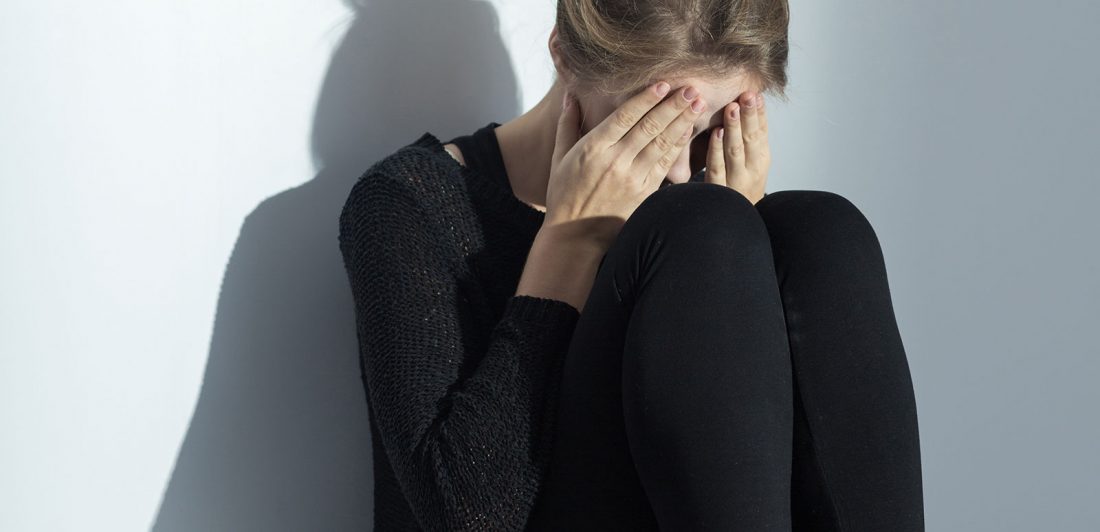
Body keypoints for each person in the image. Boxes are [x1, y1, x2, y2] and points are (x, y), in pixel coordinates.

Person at [337, 0, 925, 530]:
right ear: (563, 57)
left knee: (820, 228)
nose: (675, 170)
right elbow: (461, 514)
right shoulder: (409, 202)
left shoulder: (703, 222)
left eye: (708, 133)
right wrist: (566, 247)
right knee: (702, 226)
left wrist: (743, 249)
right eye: (650, 127)